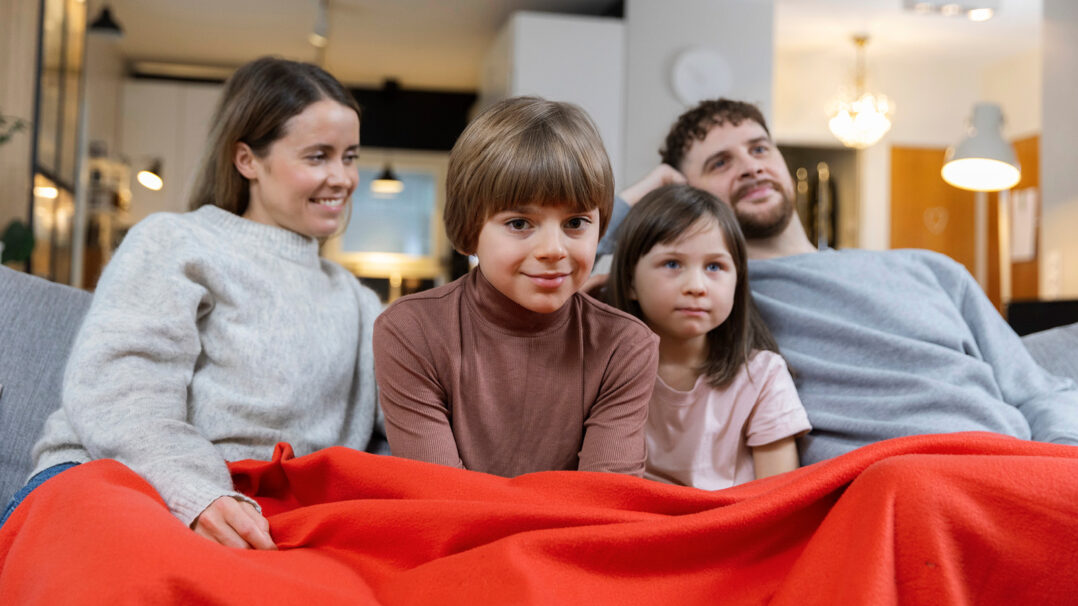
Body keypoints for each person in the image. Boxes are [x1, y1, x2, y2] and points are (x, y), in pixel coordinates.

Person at [6, 57, 385, 548]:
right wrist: (196, 493)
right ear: (247, 160)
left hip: (257, 513)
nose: (343, 178)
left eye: (350, 156)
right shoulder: (177, 242)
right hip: (116, 477)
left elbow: (422, 405)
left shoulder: (356, 302)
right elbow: (121, 385)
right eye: (318, 156)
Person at [603, 98, 1078, 465]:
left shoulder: (929, 269)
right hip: (892, 482)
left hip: (1015, 460)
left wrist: (1061, 458)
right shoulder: (710, 297)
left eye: (760, 148)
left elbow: (1038, 390)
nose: (750, 165)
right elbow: (566, 273)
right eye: (720, 163)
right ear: (685, 193)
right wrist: (644, 196)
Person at [373, 96, 659, 477]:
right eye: (520, 224)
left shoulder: (625, 345)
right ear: (468, 230)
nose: (553, 250)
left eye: (575, 223)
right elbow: (441, 498)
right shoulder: (411, 329)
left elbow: (604, 505)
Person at [605, 184, 810, 488]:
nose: (696, 286)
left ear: (737, 282)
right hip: (638, 525)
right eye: (672, 264)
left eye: (715, 266)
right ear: (630, 282)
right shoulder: (604, 368)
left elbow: (778, 498)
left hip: (732, 528)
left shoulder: (763, 375)